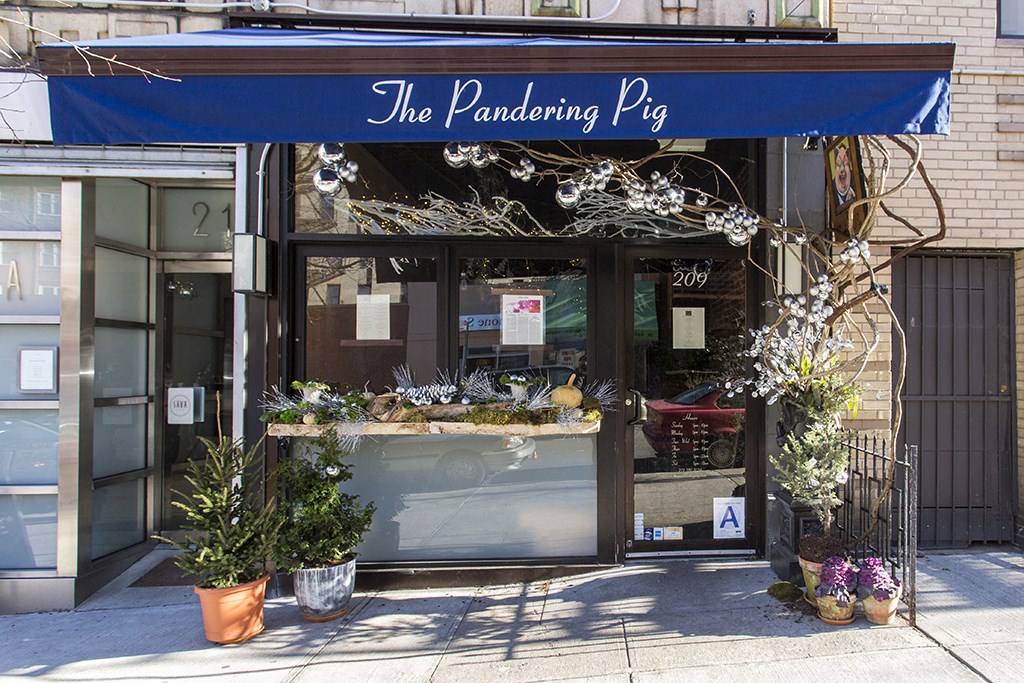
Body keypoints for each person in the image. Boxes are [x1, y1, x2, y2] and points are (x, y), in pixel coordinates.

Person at [832, 141, 856, 207]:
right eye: (838, 164)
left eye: (845, 164)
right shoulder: (831, 191)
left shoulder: (855, 192)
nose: (842, 169)